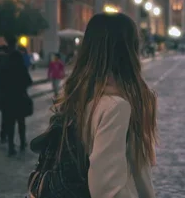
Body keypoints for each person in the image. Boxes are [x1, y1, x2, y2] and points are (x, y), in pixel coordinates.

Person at [28, 13, 157, 198]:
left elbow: (137, 169)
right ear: (129, 50)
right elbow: (106, 187)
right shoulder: (116, 106)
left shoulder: (78, 95)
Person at [1, 35, 33, 156]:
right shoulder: (20, 65)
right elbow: (28, 81)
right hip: (20, 97)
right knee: (21, 122)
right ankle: (23, 142)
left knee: (10, 123)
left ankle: (10, 146)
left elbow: (0, 80)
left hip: (8, 98)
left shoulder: (5, 62)